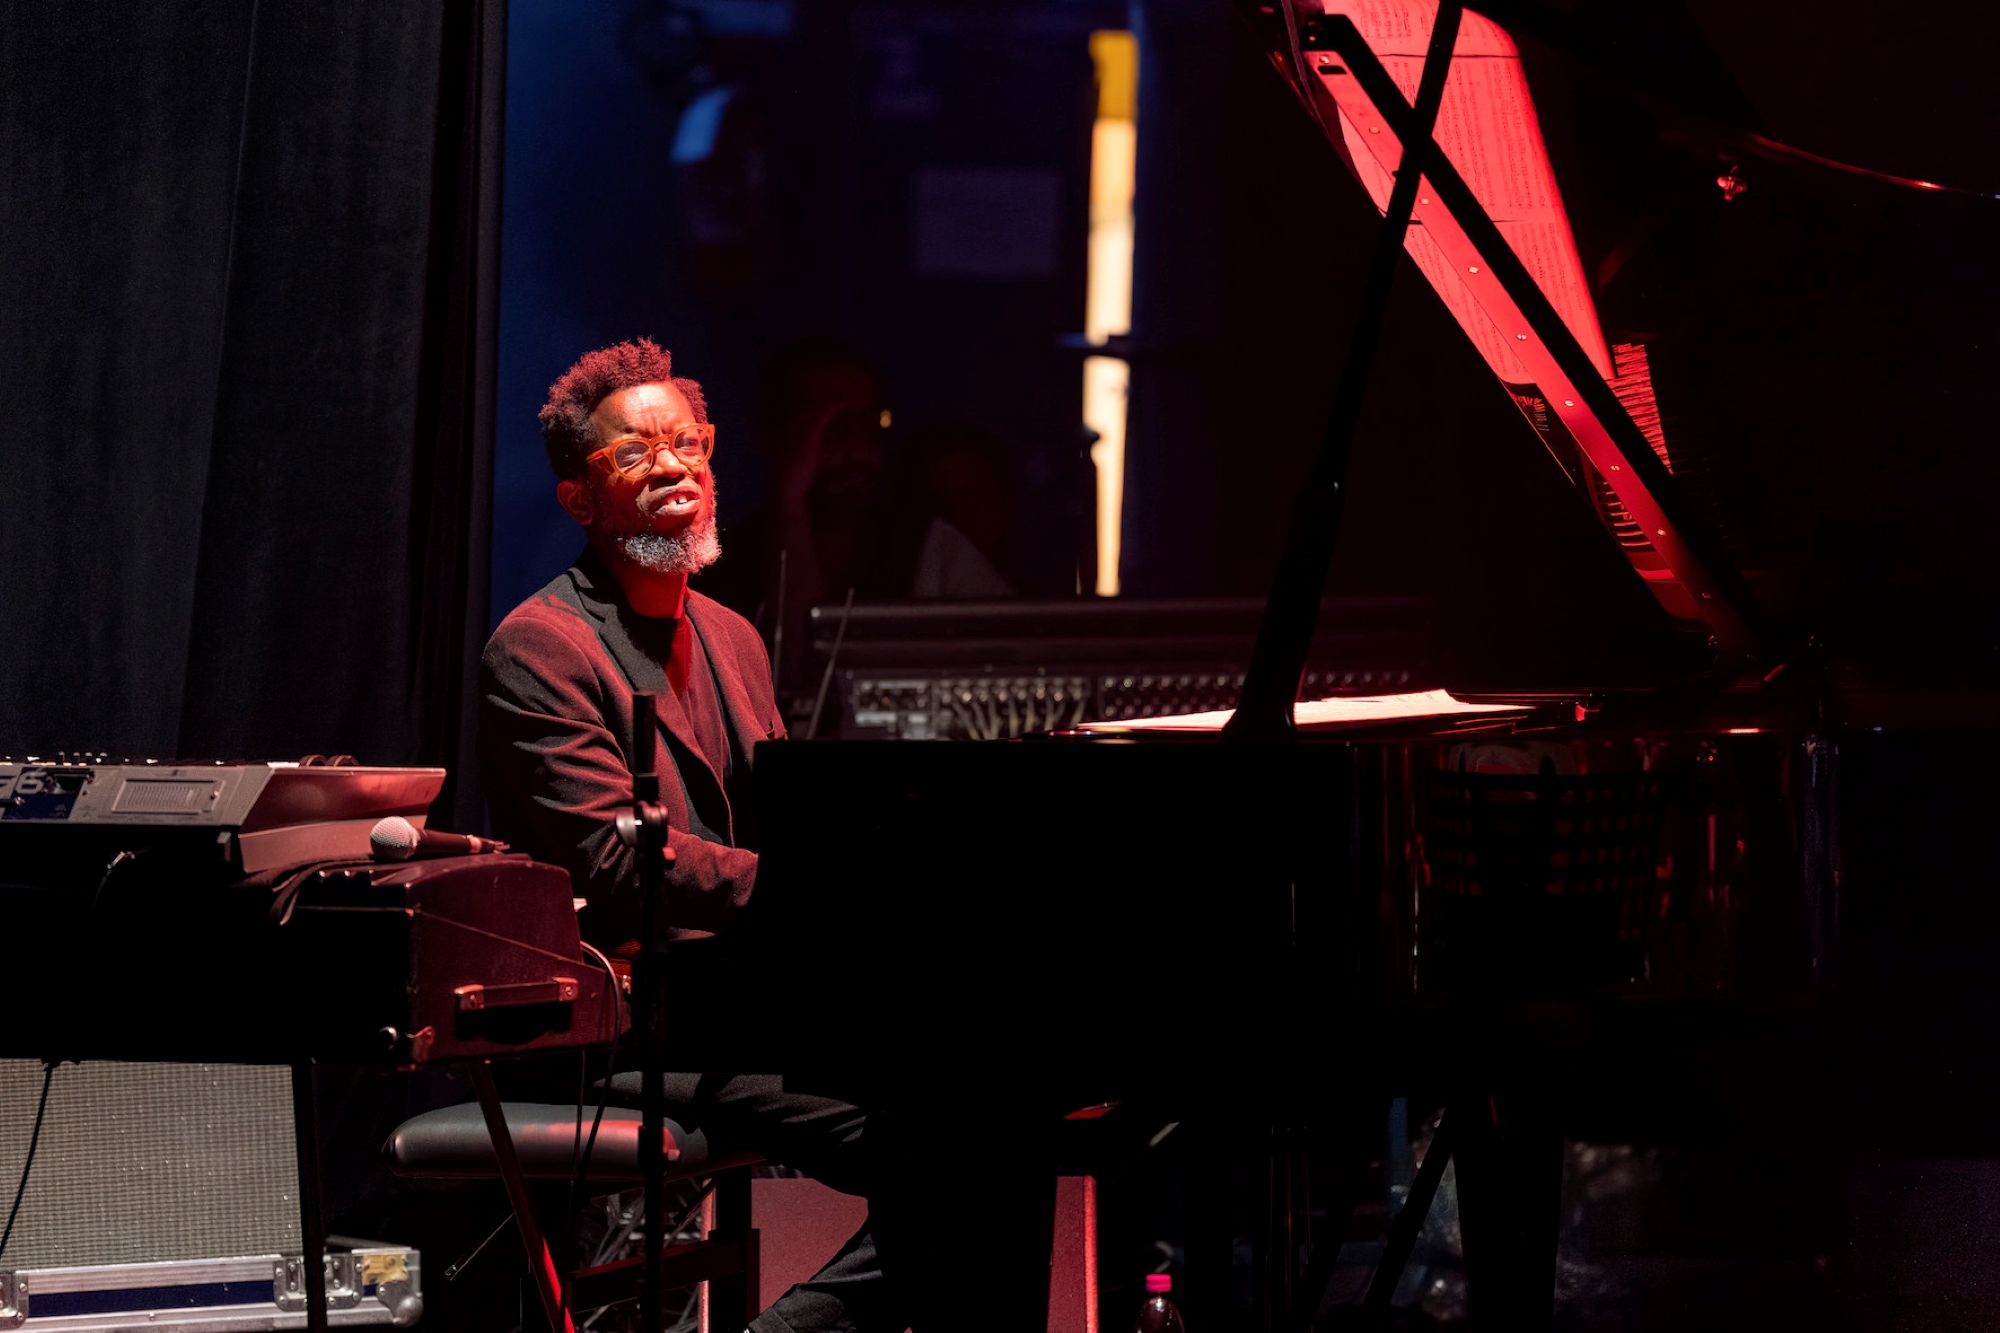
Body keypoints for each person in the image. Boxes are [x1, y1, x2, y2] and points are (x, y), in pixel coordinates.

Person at [479, 337, 895, 1333]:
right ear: (579, 499)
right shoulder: (541, 645)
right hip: (632, 1027)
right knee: (957, 1141)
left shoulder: (731, 634)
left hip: (740, 1010)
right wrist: (823, 892)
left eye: (687, 443)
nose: (673, 466)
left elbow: (789, 824)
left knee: (990, 1122)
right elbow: (618, 864)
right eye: (635, 454)